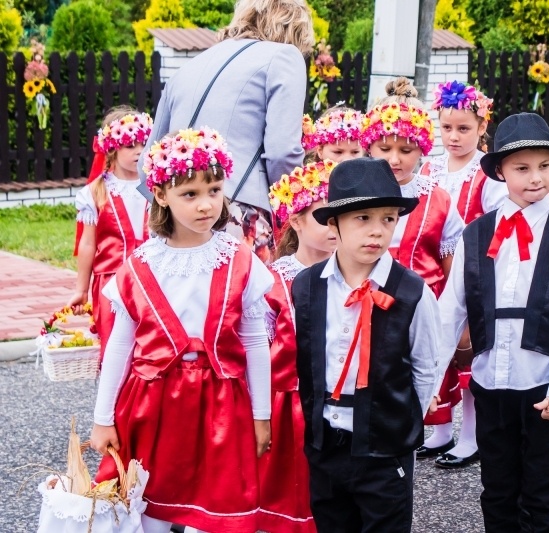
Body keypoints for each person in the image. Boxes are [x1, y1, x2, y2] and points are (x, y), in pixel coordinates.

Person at [90, 128, 273, 532]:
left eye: (214, 190)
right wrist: (103, 417)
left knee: (216, 514)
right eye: (189, 194)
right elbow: (119, 346)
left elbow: (256, 342)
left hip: (222, 406)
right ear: (160, 196)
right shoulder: (141, 264)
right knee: (149, 509)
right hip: (153, 406)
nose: (206, 204)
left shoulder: (240, 260)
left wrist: (262, 415)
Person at [438, 113, 549, 532]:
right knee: (498, 490)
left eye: (544, 167)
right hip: (491, 384)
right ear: (501, 173)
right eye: (522, 168)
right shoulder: (476, 233)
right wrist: (427, 385)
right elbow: (447, 313)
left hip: (544, 385)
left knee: (545, 492)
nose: (535, 178)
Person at [292, 157, 442, 532]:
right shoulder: (307, 286)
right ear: (334, 224)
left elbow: (426, 368)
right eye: (363, 218)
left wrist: (401, 425)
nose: (377, 231)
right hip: (326, 440)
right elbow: (305, 361)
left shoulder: (412, 293)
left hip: (385, 446)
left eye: (387, 219)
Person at [139, 0, 315, 264]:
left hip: (174, 212)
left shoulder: (192, 64)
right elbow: (282, 152)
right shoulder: (285, 56)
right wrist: (295, 209)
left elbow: (148, 159)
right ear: (297, 28)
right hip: (238, 212)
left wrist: (171, 203)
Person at [361, 78, 465, 464]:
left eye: (406, 150)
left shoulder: (437, 198)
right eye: (384, 148)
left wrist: (457, 309)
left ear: (421, 149)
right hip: (365, 306)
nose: (395, 159)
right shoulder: (359, 193)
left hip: (422, 307)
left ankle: (417, 433)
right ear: (369, 145)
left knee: (417, 372)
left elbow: (451, 260)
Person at [418, 79, 507, 468]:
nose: (453, 137)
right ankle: (439, 431)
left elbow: (498, 228)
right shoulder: (429, 168)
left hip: (469, 273)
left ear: (482, 127)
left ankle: (470, 437)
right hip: (430, 273)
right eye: (447, 127)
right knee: (433, 352)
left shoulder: (486, 174)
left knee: (467, 353)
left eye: (464, 128)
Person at [259, 159, 337, 533]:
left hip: (340, 404)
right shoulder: (274, 282)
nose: (336, 226)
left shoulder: (355, 273)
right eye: (325, 216)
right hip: (289, 407)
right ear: (295, 220)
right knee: (289, 494)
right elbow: (256, 350)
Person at [68, 107, 151, 360]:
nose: (139, 151)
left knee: (149, 345)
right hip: (111, 281)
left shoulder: (155, 185)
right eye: (130, 145)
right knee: (114, 346)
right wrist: (82, 288)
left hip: (152, 278)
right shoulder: (95, 192)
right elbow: (88, 243)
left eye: (143, 144)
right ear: (113, 148)